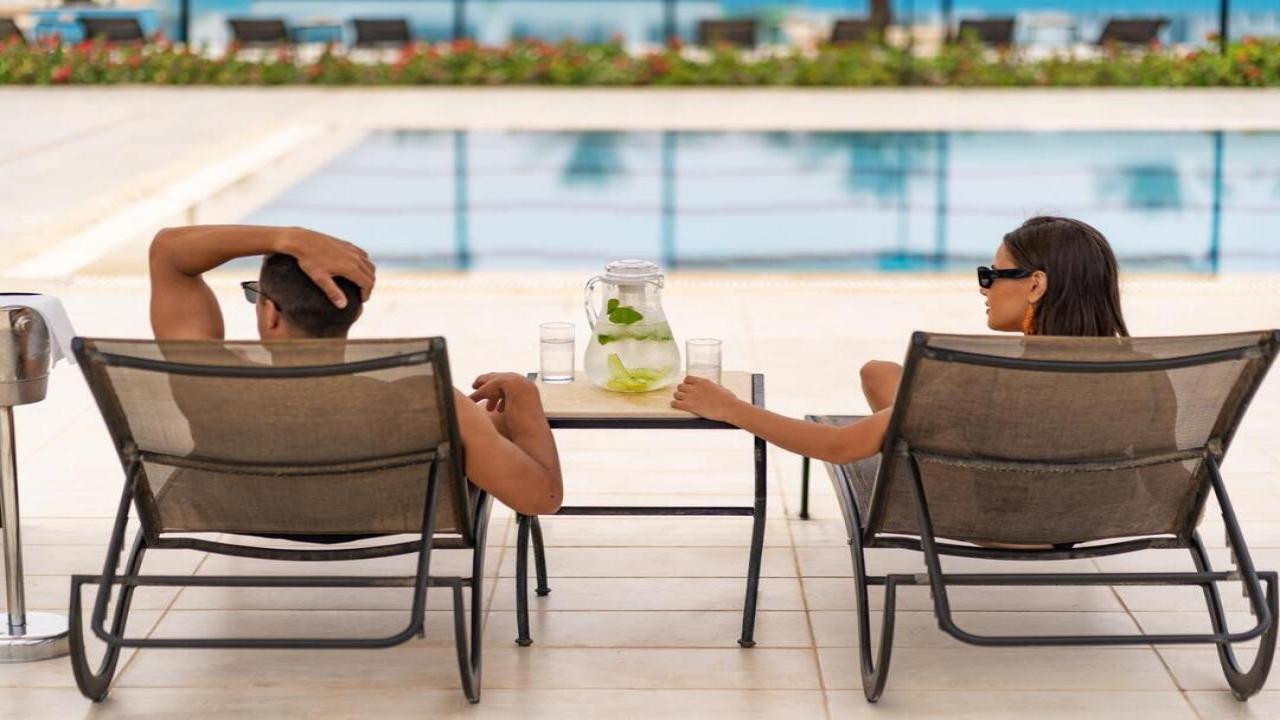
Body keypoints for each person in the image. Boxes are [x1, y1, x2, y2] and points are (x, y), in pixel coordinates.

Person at [149, 224, 563, 517]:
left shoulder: (207, 380)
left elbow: (168, 252)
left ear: (270, 312)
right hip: (379, 518)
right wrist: (524, 396)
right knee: (484, 429)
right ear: (354, 312)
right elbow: (540, 498)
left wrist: (286, 237)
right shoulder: (425, 403)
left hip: (248, 513)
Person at [670, 216, 1130, 465]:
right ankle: (906, 417)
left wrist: (732, 408)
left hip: (984, 520)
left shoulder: (981, 376)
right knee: (881, 373)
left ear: (1035, 285)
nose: (984, 288)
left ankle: (907, 425)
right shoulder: (1144, 375)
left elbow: (839, 448)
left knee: (899, 398)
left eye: (992, 275)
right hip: (1087, 522)